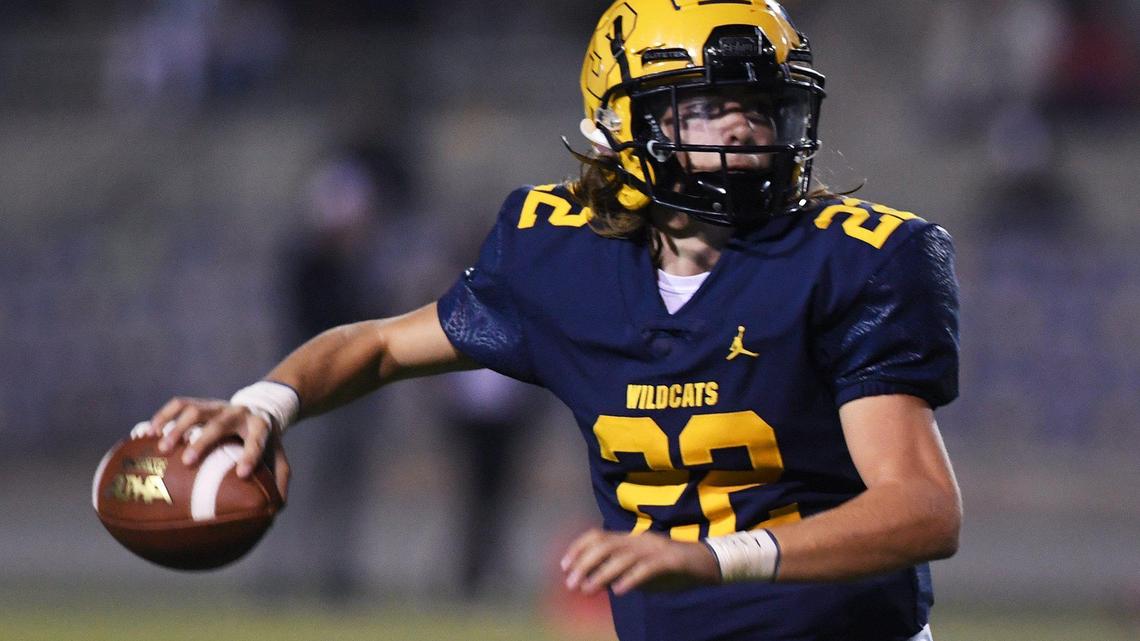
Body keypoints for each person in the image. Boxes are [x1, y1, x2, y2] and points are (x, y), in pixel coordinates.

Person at [145, 2, 962, 639]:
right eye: (711, 105)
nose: (746, 128)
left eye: (761, 104)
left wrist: (714, 558)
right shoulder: (560, 254)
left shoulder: (858, 260)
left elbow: (924, 506)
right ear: (625, 124)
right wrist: (265, 404)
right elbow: (381, 344)